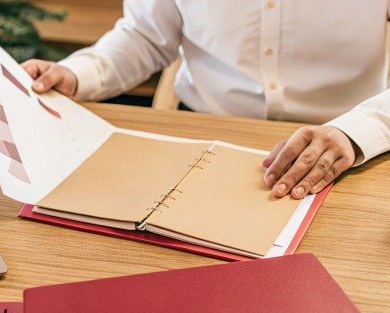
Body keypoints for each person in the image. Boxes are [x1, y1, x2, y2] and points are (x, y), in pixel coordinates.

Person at [22, 0, 390, 199]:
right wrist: (76, 74)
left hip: (347, 150)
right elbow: (146, 36)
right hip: (203, 135)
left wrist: (357, 132)